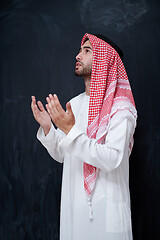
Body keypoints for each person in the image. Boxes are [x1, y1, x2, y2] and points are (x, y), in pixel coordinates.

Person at [31, 33, 137, 240]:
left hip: (105, 210)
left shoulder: (120, 108)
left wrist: (71, 131)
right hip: (74, 208)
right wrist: (48, 129)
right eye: (80, 50)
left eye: (87, 51)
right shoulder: (75, 103)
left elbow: (113, 159)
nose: (78, 55)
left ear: (104, 62)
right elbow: (64, 154)